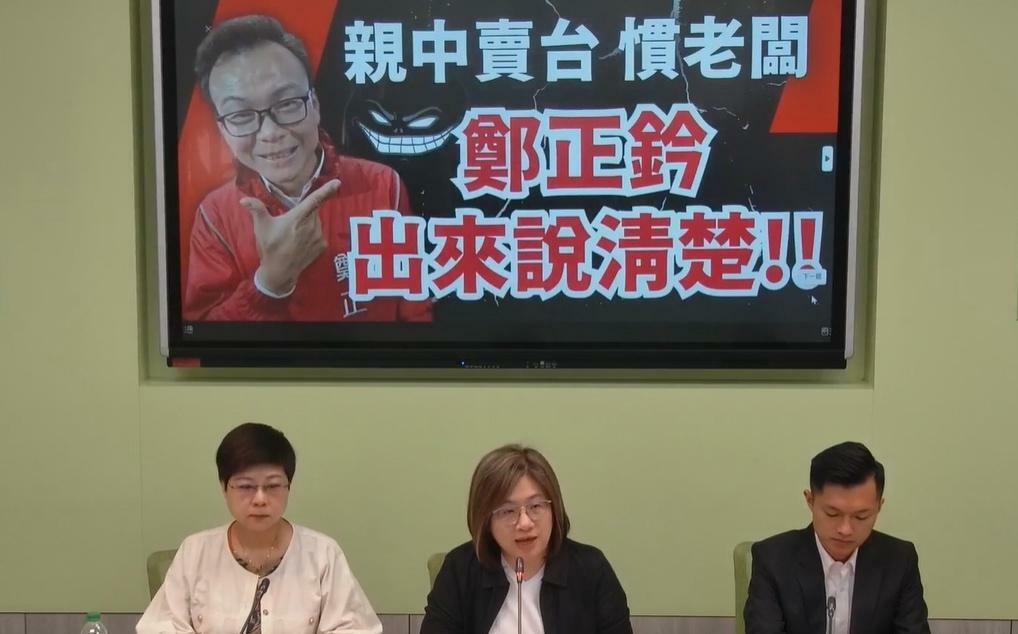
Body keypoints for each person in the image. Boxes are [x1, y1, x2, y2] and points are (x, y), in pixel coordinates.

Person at [183, 14, 431, 322]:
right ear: (223, 130)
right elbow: (203, 331)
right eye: (240, 115)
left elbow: (414, 309)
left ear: (314, 105)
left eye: (287, 103)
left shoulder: (382, 183)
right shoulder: (214, 215)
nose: (270, 132)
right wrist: (269, 284)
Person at [136, 423, 382, 634]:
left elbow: (354, 628)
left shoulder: (322, 554)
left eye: (273, 486)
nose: (260, 499)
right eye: (246, 487)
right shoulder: (195, 551)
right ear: (224, 488)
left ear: (289, 487)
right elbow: (160, 626)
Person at [420, 444, 633, 634]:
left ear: (554, 509)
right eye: (508, 511)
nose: (524, 523)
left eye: (536, 506)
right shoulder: (460, 570)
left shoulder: (591, 570)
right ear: (485, 519)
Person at [744, 441, 930, 634]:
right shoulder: (773, 559)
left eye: (861, 516)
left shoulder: (900, 560)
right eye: (833, 514)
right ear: (810, 501)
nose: (845, 529)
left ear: (879, 507)